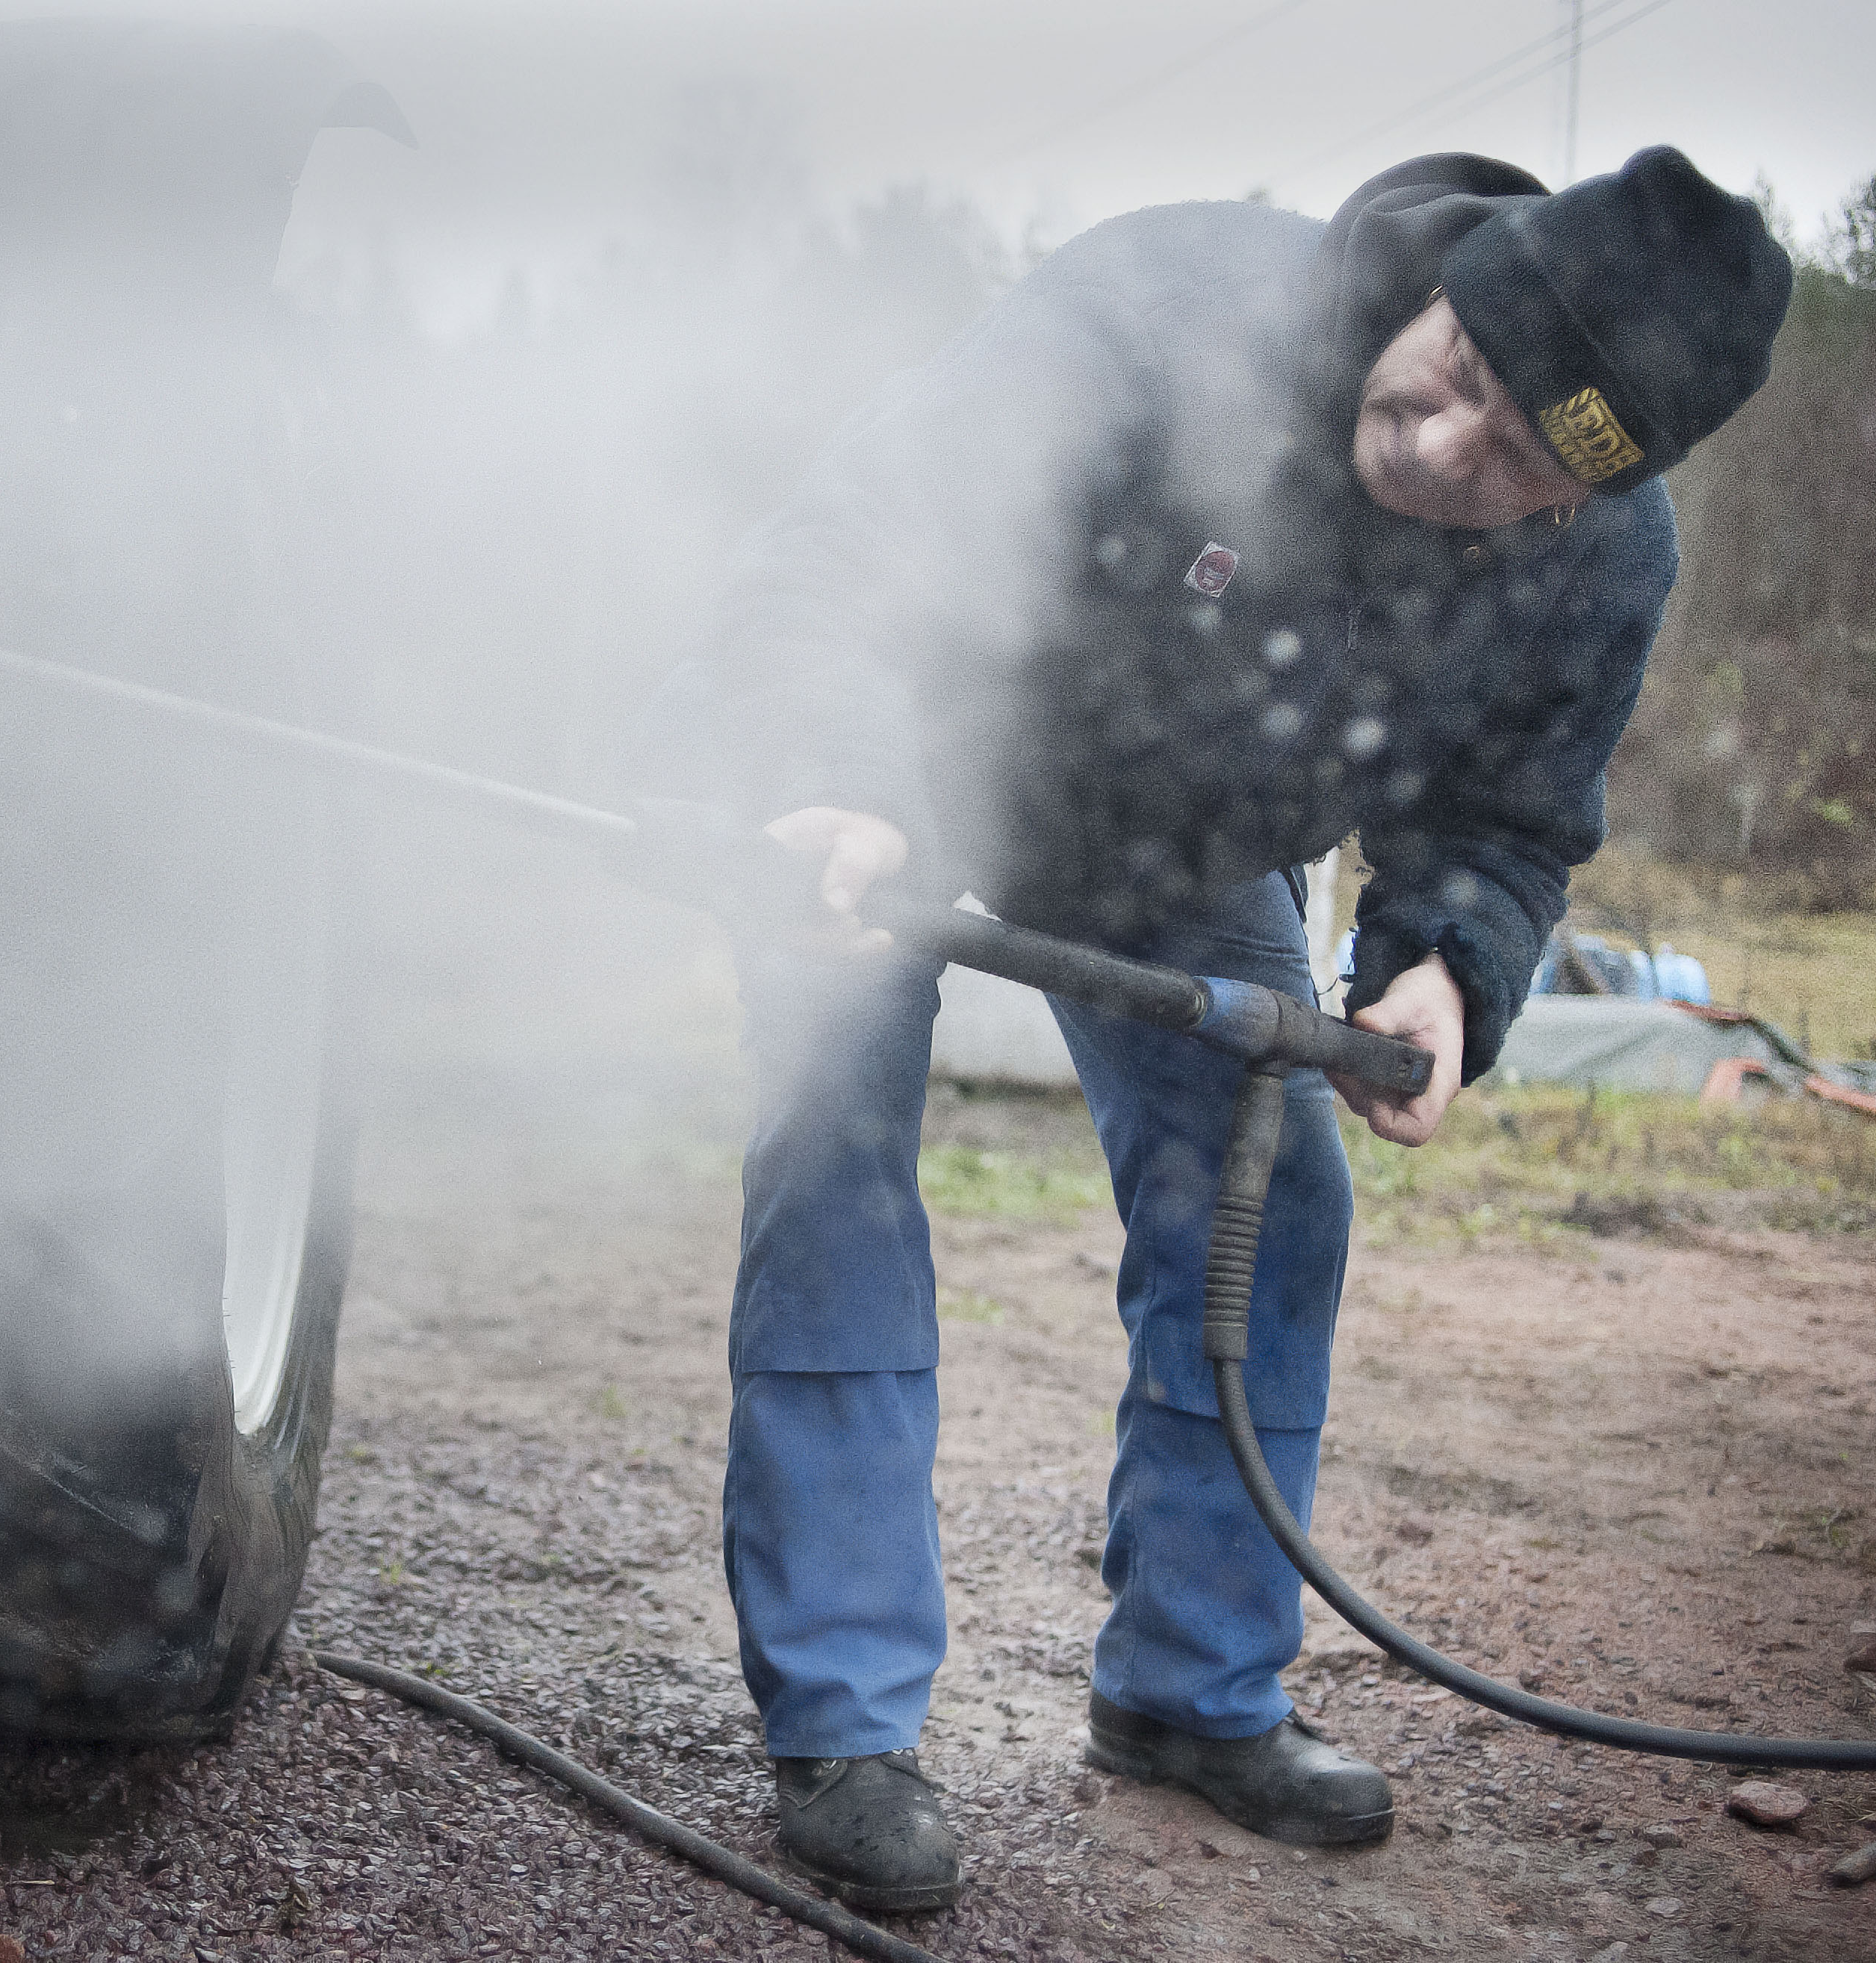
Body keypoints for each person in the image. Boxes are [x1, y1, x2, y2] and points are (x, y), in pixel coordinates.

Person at [645, 148, 1792, 1911]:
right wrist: (835, 778)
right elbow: (853, 545)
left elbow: (1503, 819)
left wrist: (1447, 968)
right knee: (838, 1159)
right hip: (902, 767)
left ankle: (1190, 1693)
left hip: (1176, 848)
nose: (1443, 451)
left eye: (1516, 466)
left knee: (1281, 1207)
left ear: (1590, 494)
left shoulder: (1600, 562)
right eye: (1456, 378)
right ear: (1451, 287)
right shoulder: (1172, 308)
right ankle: (844, 1722)